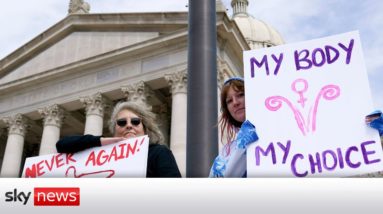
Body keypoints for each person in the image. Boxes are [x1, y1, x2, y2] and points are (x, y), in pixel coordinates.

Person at [209, 77, 383, 178]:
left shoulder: (287, 128)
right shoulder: (225, 154)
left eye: (240, 95)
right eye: (229, 101)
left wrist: (372, 134)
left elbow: (331, 146)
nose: (236, 103)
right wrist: (242, 147)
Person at [56, 101, 181, 177]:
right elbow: (62, 145)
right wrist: (101, 141)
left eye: (135, 121)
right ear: (114, 129)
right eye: (121, 122)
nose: (129, 125)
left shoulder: (158, 153)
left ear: (145, 128)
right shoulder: (104, 156)